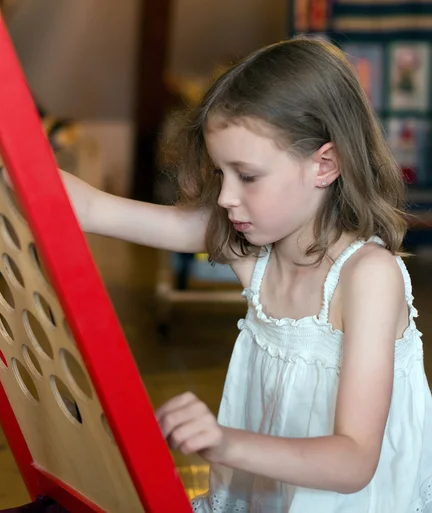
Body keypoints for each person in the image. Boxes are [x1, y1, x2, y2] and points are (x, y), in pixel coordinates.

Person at [60, 37, 432, 512]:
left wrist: (223, 442)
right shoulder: (254, 250)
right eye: (221, 174)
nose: (225, 197)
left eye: (247, 176)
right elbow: (95, 209)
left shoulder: (369, 278)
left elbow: (354, 461)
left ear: (325, 163)